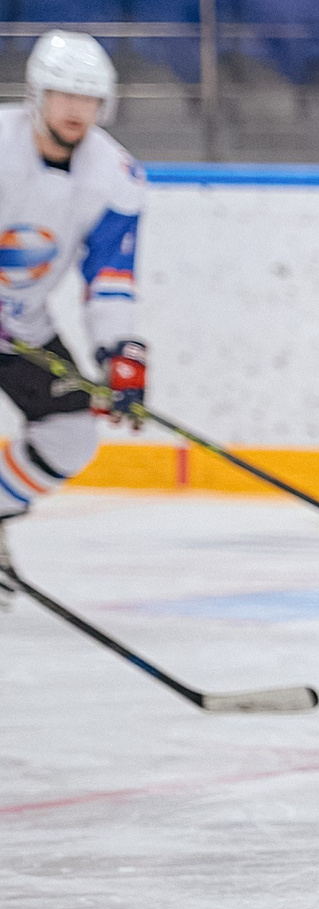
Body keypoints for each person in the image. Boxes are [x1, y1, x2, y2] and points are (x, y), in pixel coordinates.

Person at [0, 33, 148, 600]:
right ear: (37, 94)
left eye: (89, 98)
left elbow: (109, 277)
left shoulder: (116, 176)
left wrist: (119, 352)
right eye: (64, 95)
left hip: (22, 327)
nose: (76, 109)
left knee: (70, 437)